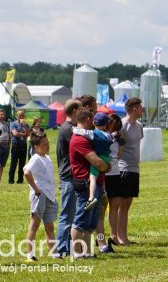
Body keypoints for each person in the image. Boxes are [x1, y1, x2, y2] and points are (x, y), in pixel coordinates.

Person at [69, 108, 109, 259]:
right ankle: (77, 252)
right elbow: (97, 162)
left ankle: (87, 252)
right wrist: (106, 165)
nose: (93, 123)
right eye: (91, 120)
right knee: (80, 219)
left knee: (90, 222)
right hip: (85, 183)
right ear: (86, 119)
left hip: (94, 182)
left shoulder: (87, 137)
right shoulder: (80, 139)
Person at [107, 97, 143, 245]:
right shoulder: (123, 125)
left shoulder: (140, 126)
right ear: (134, 109)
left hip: (134, 168)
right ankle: (116, 236)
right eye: (141, 107)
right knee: (120, 203)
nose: (143, 110)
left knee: (127, 204)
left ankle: (124, 236)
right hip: (123, 168)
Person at [23, 132, 57, 261]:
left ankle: (54, 252)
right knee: (35, 224)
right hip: (40, 195)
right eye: (44, 145)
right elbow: (26, 172)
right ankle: (30, 254)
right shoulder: (36, 158)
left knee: (50, 226)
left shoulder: (46, 158)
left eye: (48, 143)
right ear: (36, 147)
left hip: (49, 195)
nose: (48, 146)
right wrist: (36, 189)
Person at [55, 100, 80, 258]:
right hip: (68, 177)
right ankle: (62, 248)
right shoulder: (68, 129)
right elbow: (80, 147)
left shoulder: (70, 128)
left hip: (72, 176)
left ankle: (68, 246)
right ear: (75, 110)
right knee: (67, 214)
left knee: (72, 213)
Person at [74, 113, 113, 213]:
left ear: (94, 122)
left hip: (98, 158)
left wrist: (73, 129)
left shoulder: (93, 134)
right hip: (107, 158)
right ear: (105, 124)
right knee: (102, 176)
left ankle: (91, 198)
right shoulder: (108, 135)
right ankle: (104, 192)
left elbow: (82, 132)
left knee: (93, 178)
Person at [95, 113, 123, 253]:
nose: (114, 125)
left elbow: (119, 154)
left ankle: (114, 236)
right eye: (112, 122)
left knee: (115, 205)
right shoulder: (100, 136)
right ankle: (100, 239)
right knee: (100, 210)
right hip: (103, 175)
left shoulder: (117, 137)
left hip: (115, 173)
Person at [9, 110, 30, 184]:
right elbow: (15, 134)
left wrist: (24, 126)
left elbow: (29, 133)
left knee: (22, 163)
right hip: (16, 145)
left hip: (23, 145)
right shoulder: (13, 124)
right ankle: (11, 180)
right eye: (20, 115)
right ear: (17, 116)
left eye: (23, 115)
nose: (21, 117)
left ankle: (20, 180)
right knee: (13, 163)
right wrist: (24, 134)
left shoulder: (26, 124)